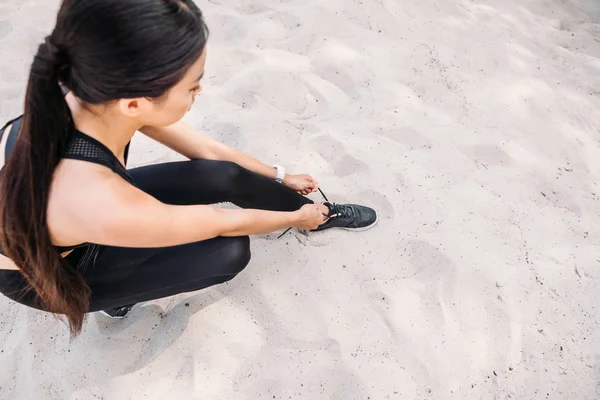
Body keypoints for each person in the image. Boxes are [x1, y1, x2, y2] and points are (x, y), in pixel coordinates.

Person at [0, 0, 377, 336]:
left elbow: (209, 149)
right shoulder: (94, 196)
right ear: (135, 102)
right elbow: (222, 222)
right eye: (193, 87)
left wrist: (280, 176)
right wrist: (296, 221)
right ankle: (116, 294)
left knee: (221, 174)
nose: (199, 94)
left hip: (64, 218)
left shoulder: (96, 95)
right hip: (50, 270)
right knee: (227, 252)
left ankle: (312, 213)